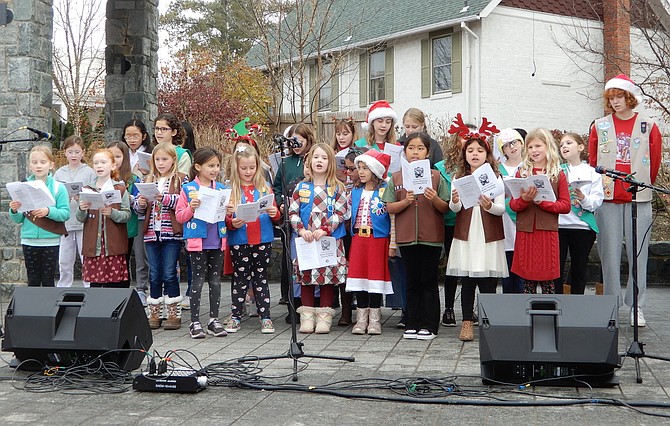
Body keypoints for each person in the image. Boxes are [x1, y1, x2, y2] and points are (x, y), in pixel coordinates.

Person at [588, 74, 661, 326]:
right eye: (612, 98)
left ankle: (636, 306)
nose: (616, 102)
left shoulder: (648, 125)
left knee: (638, 253)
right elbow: (593, 161)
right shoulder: (599, 125)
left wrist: (642, 186)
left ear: (630, 97)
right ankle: (611, 304)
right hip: (608, 197)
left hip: (638, 197)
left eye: (620, 96)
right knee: (608, 254)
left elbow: (654, 160)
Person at [382, 132, 450, 340]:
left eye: (420, 148)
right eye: (411, 148)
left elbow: (446, 207)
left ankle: (430, 325)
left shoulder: (436, 176)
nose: (415, 152)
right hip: (407, 236)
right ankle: (411, 322)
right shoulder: (397, 177)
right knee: (411, 280)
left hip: (431, 237)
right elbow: (389, 207)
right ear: (405, 151)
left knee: (428, 281)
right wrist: (405, 202)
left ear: (427, 153)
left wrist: (434, 198)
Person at [446, 133, 507, 341]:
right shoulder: (458, 177)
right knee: (469, 280)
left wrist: (489, 206)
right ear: (464, 154)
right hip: (468, 232)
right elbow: (453, 208)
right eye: (470, 150)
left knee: (489, 281)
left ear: (487, 154)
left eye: (480, 151)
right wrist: (454, 200)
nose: (475, 154)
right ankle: (467, 324)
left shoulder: (495, 177)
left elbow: (501, 209)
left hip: (488, 232)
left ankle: (488, 323)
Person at [289, 143, 348, 334]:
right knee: (307, 276)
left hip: (328, 240)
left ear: (330, 162)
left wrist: (325, 229)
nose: (319, 161)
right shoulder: (301, 187)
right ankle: (307, 317)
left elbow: (340, 213)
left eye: (324, 158)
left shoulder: (337, 188)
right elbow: (293, 212)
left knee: (327, 277)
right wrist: (301, 230)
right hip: (307, 239)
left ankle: (324, 317)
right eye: (316, 157)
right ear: (309, 161)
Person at [223, 145, 281, 334]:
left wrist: (274, 213)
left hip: (262, 238)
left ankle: (265, 317)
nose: (248, 172)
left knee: (261, 278)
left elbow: (275, 216)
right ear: (236, 167)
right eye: (244, 168)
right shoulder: (230, 189)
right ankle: (235, 316)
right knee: (240, 279)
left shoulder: (265, 188)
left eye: (252, 167)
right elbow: (225, 218)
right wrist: (232, 222)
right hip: (239, 239)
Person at [175, 147, 229, 338]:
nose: (215, 169)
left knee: (215, 281)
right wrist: (191, 208)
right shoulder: (189, 189)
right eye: (210, 165)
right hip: (197, 242)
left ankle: (213, 319)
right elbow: (180, 216)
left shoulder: (222, 188)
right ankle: (195, 321)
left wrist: (230, 210)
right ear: (198, 166)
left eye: (217, 166)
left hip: (217, 240)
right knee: (197, 281)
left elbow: (229, 215)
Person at [510, 128, 571, 294]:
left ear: (548, 146)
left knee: (548, 282)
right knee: (527, 282)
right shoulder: (521, 172)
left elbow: (565, 206)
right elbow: (513, 206)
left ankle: (548, 316)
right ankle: (527, 317)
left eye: (538, 146)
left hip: (547, 232)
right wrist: (525, 200)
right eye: (530, 147)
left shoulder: (558, 174)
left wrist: (543, 203)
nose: (534, 151)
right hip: (526, 232)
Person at [134, 142, 187, 330]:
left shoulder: (180, 180)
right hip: (151, 233)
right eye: (157, 159)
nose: (161, 163)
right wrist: (140, 202)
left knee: (169, 272)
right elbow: (138, 209)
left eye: (165, 159)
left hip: (171, 234)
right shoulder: (148, 179)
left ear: (173, 160)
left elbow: (183, 201)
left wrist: (163, 198)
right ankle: (154, 311)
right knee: (154, 273)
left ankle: (174, 313)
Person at [435, 118, 476, 326]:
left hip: (473, 222)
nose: (468, 140)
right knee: (452, 266)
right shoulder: (442, 167)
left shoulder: (478, 164)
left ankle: (471, 310)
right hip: (449, 222)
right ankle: (449, 308)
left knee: (472, 266)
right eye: (464, 136)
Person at [9, 146, 70, 287]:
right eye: (34, 162)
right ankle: (33, 309)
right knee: (33, 280)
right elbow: (19, 219)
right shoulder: (22, 186)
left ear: (51, 165)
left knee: (48, 280)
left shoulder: (58, 187)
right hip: (29, 240)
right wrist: (14, 210)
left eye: (43, 162)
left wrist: (48, 211)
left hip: (51, 240)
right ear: (30, 165)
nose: (38, 166)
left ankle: (48, 309)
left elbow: (65, 214)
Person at [346, 150, 393, 335]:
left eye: (365, 168)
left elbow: (392, 216)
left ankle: (374, 320)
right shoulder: (355, 192)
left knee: (374, 279)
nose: (361, 172)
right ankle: (361, 319)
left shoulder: (384, 190)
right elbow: (347, 212)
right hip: (359, 239)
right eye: (360, 168)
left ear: (375, 170)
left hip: (377, 239)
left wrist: (393, 242)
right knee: (359, 279)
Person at [272, 124, 314, 318]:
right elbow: (277, 186)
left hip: (310, 218)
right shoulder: (285, 161)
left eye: (300, 140)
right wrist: (280, 202)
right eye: (293, 141)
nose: (296, 145)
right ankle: (293, 305)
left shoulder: (312, 160)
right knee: (291, 260)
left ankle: (312, 303)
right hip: (290, 218)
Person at [555, 132, 603, 295]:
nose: (564, 147)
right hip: (559, 226)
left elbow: (597, 200)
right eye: (561, 145)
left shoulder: (593, 172)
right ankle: (557, 304)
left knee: (579, 268)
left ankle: (577, 304)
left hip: (582, 227)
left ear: (581, 147)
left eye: (569, 143)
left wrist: (583, 198)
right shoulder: (556, 171)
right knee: (556, 269)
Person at [76, 149, 131, 288]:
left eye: (103, 162)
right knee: (95, 284)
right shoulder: (87, 189)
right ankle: (97, 310)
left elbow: (127, 214)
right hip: (94, 246)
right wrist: (82, 209)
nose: (99, 166)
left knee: (114, 284)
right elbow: (80, 218)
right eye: (96, 163)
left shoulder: (120, 188)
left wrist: (112, 213)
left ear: (113, 166)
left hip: (112, 246)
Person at [53, 136, 96, 287]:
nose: (73, 155)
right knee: (64, 258)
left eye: (77, 152)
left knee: (85, 256)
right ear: (65, 153)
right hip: (66, 221)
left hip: (83, 222)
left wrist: (81, 198)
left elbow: (94, 193)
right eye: (70, 152)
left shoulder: (89, 172)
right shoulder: (59, 173)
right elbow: (54, 194)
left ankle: (89, 285)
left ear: (83, 153)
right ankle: (64, 286)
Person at [122, 120, 151, 305]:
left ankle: (142, 289)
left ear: (144, 136)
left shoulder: (150, 154)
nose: (132, 139)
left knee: (141, 254)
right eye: (128, 136)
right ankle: (123, 287)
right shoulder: (120, 155)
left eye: (135, 135)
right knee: (122, 252)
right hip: (124, 211)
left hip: (141, 211)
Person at [495, 128, 526, 294]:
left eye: (514, 142)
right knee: (507, 269)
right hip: (506, 222)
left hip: (524, 221)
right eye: (506, 145)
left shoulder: (529, 166)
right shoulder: (498, 169)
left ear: (521, 143)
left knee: (522, 269)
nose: (512, 147)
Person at [106, 141, 140, 286]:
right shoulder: (102, 179)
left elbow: (139, 204)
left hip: (126, 228)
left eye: (118, 156)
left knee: (122, 263)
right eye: (111, 156)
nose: (115, 160)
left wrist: (129, 197)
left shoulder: (132, 179)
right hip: (106, 228)